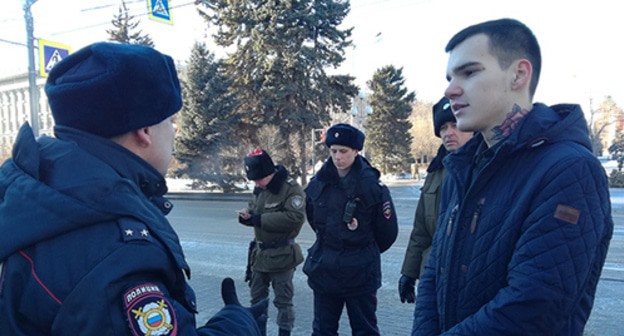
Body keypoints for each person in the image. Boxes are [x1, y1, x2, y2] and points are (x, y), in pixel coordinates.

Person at [0, 42, 266, 335]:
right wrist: (238, 325)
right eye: (170, 120)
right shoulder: (118, 253)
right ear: (145, 131)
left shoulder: (36, 188)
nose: (174, 131)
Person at [412, 18, 614, 335]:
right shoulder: (460, 168)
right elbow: (435, 272)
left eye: (469, 72)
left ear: (519, 74)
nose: (450, 90)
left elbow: (534, 306)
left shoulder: (569, 170)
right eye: (451, 76)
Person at [303, 123, 398, 335]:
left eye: (343, 151)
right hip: (325, 271)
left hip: (360, 273)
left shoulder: (371, 186)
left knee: (364, 330)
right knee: (322, 331)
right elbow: (314, 219)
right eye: (333, 151)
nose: (338, 157)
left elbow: (387, 233)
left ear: (356, 151)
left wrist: (360, 251)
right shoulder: (319, 182)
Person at [398, 97, 473, 304]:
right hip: (432, 274)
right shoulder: (436, 171)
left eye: (455, 124)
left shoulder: (485, 168)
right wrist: (409, 272)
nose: (449, 133)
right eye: (443, 127)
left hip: (469, 279)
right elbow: (421, 229)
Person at [238, 148, 306, 336]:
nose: (257, 183)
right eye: (254, 180)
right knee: (257, 301)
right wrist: (247, 216)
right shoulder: (260, 188)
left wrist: (258, 219)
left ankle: (284, 333)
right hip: (259, 257)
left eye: (259, 178)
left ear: (270, 172)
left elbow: (295, 217)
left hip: (282, 256)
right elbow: (255, 210)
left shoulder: (290, 188)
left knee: (283, 302)